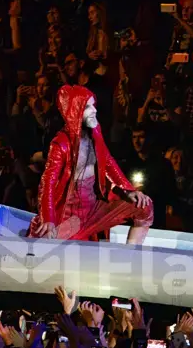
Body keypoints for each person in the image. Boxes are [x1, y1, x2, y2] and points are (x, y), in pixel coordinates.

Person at [28, 85, 153, 244]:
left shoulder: (95, 132)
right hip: (69, 217)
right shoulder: (61, 144)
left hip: (94, 210)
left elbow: (108, 162)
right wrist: (48, 218)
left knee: (144, 207)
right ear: (75, 110)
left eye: (93, 105)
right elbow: (48, 182)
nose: (94, 110)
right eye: (88, 107)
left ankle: (128, 257)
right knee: (48, 246)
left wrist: (128, 190)